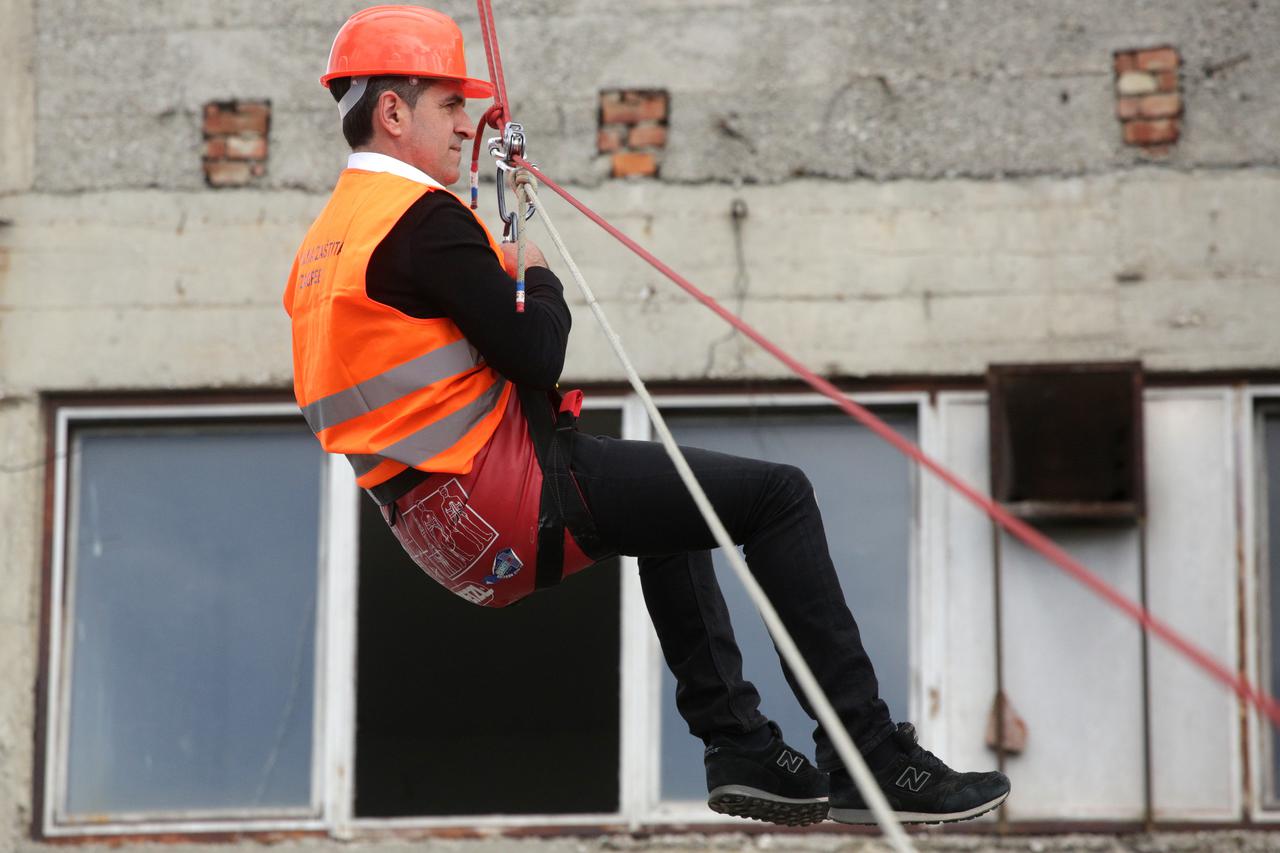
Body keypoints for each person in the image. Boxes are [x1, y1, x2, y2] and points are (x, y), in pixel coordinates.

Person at [284, 4, 1011, 828]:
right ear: (392, 111)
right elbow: (536, 345)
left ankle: (736, 738)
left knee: (670, 509)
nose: (466, 126)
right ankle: (869, 757)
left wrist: (500, 205)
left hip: (445, 530)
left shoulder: (325, 247)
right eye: (452, 106)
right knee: (780, 496)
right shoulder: (421, 222)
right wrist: (533, 259)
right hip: (508, 492)